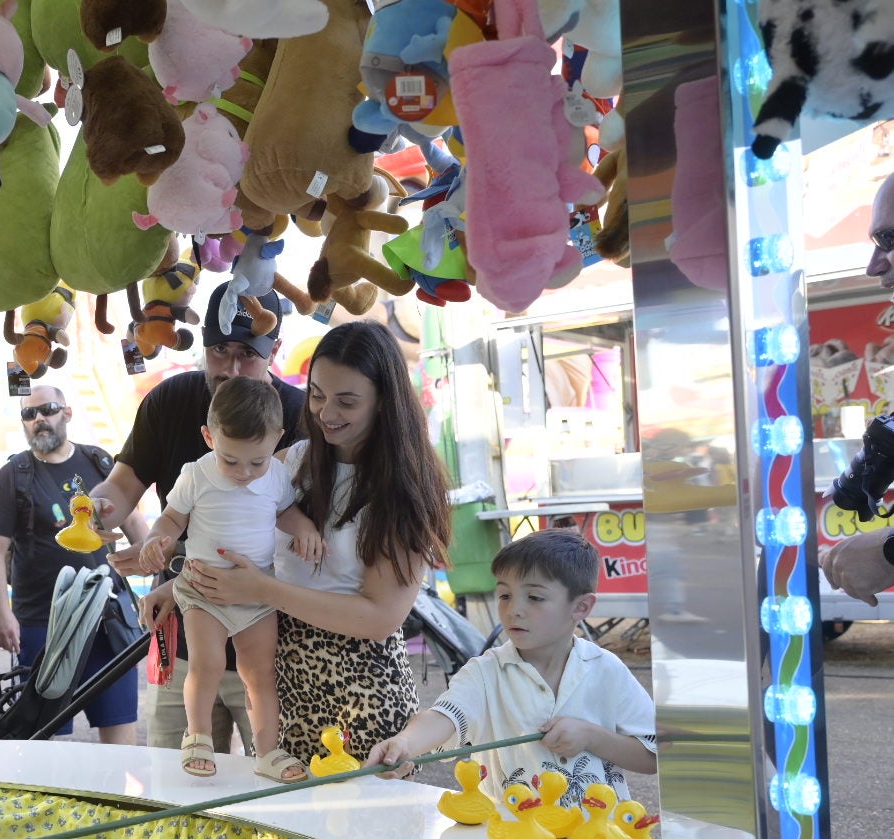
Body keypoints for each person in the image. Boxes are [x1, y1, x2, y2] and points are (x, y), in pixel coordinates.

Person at [170, 321, 454, 764]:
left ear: (384, 402)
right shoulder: (292, 461)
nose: (325, 412)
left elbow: (381, 617)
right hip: (284, 685)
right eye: (317, 394)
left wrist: (262, 590)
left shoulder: (403, 490)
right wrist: (185, 584)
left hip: (361, 692)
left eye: (347, 401)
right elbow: (235, 528)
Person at [90, 289, 305, 754]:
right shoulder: (170, 399)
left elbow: (300, 528)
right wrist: (99, 508)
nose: (229, 369)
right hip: (186, 635)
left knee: (272, 782)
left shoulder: (299, 415)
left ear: (275, 350)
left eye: (247, 355)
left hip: (272, 642)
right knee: (175, 774)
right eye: (219, 351)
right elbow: (122, 484)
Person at [367, 531, 659, 799]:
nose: (514, 610)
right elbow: (443, 717)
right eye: (505, 595)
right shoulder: (485, 672)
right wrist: (405, 743)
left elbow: (653, 756)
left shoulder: (606, 669)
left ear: (581, 607)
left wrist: (592, 736)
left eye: (535, 597)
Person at [139, 378, 320, 779]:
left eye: (256, 461)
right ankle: (198, 735)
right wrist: (158, 538)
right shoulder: (196, 474)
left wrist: (304, 526)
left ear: (277, 440)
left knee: (259, 672)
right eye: (231, 460)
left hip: (257, 591)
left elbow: (284, 511)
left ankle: (268, 751)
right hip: (203, 588)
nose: (244, 472)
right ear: (209, 437)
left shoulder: (274, 475)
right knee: (208, 663)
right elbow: (172, 517)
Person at [0, 385, 148, 746]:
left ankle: (117, 802)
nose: (39, 419)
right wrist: (0, 612)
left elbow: (135, 524)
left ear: (67, 413)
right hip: (43, 622)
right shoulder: (14, 476)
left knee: (121, 731)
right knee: (46, 737)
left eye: (49, 409)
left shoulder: (100, 462)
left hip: (107, 618)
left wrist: (155, 571)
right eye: (30, 413)